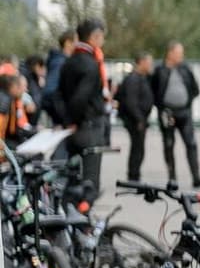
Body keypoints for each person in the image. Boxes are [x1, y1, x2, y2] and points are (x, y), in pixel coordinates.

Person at [57, 19, 111, 202]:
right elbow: (81, 97)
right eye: (101, 36)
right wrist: (75, 119)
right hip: (88, 126)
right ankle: (84, 226)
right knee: (89, 183)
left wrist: (66, 121)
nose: (102, 41)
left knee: (73, 179)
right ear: (94, 37)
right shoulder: (90, 64)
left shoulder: (69, 61)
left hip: (73, 130)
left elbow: (59, 95)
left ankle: (69, 222)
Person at [154, 41, 200, 188]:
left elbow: (195, 89)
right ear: (170, 53)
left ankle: (196, 177)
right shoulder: (160, 70)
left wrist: (186, 102)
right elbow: (154, 91)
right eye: (179, 53)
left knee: (191, 144)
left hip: (184, 113)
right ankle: (172, 178)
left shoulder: (185, 68)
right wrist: (162, 108)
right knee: (169, 145)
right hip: (167, 113)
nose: (181, 56)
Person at [115, 53, 157, 182]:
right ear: (141, 62)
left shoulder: (143, 77)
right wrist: (139, 118)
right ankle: (133, 176)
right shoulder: (133, 79)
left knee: (138, 147)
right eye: (149, 62)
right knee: (137, 148)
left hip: (140, 118)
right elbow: (130, 102)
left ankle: (135, 174)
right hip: (135, 120)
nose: (151, 66)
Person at [1, 61, 32, 147]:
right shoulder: (5, 102)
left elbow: (14, 129)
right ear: (13, 86)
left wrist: (33, 132)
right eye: (22, 87)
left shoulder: (12, 101)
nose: (25, 90)